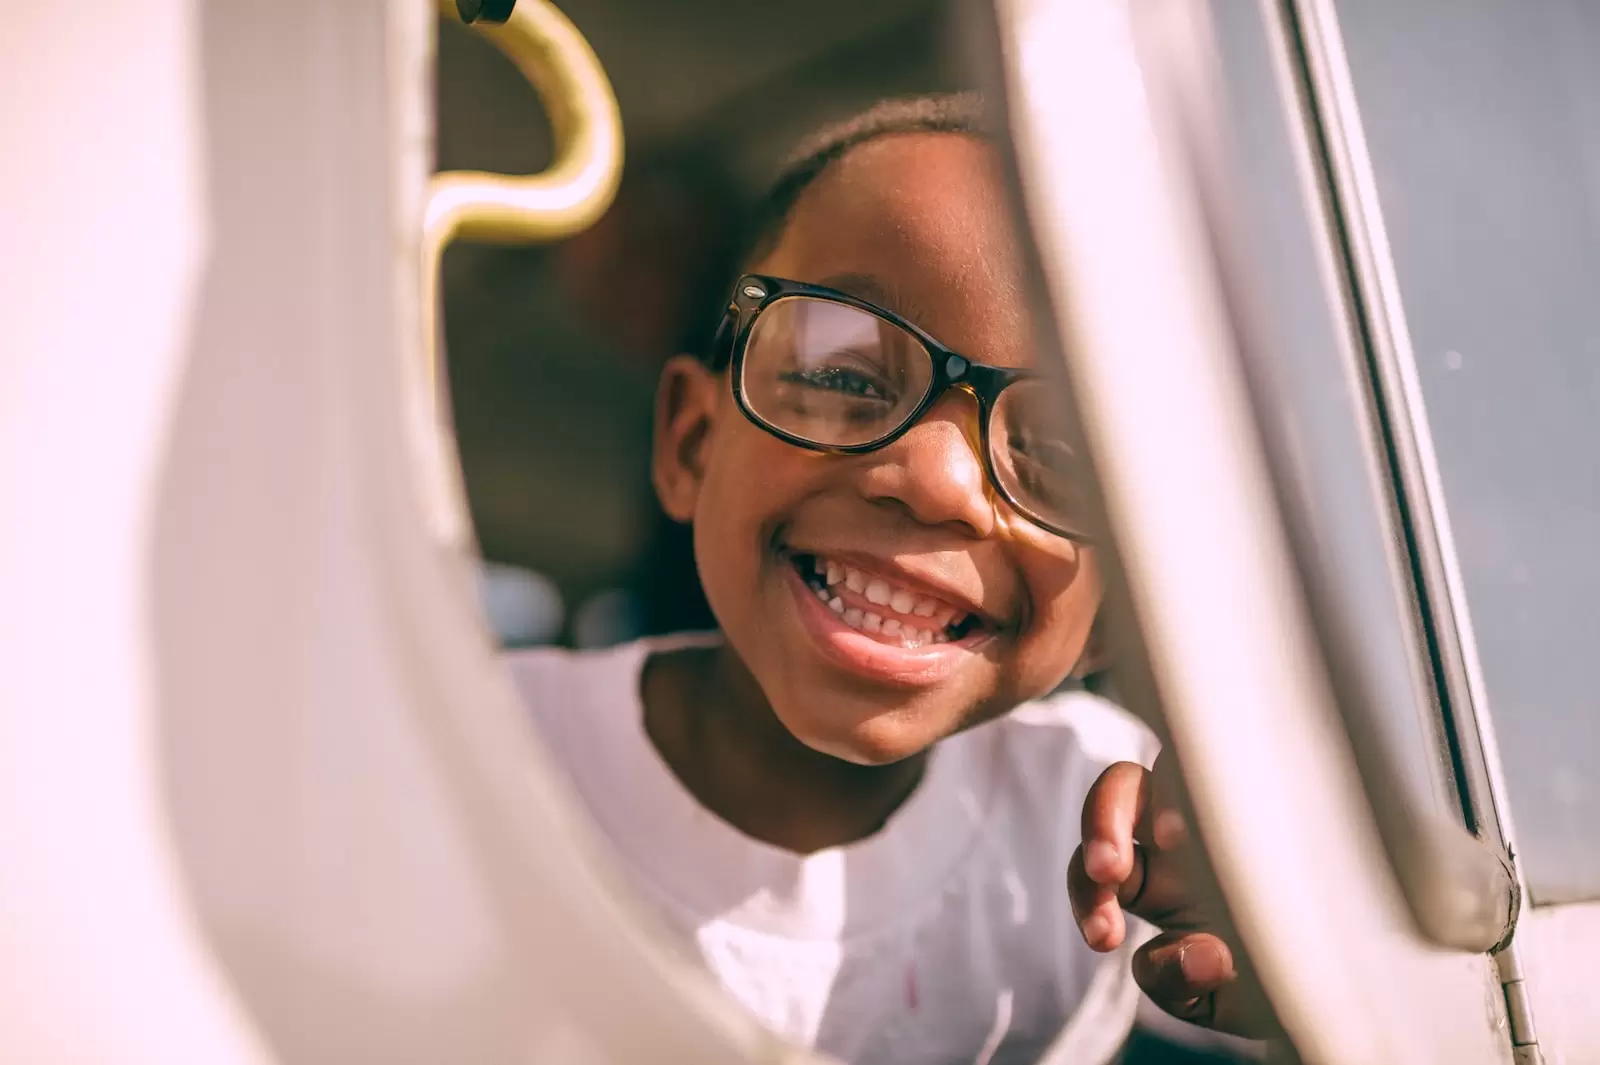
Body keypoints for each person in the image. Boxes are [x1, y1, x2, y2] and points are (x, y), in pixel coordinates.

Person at [508, 94, 1270, 1064]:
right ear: (692, 444)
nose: (936, 482)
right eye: (844, 375)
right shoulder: (470, 741)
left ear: (1127, 604)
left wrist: (1293, 950)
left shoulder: (1096, 837)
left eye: (1065, 452)